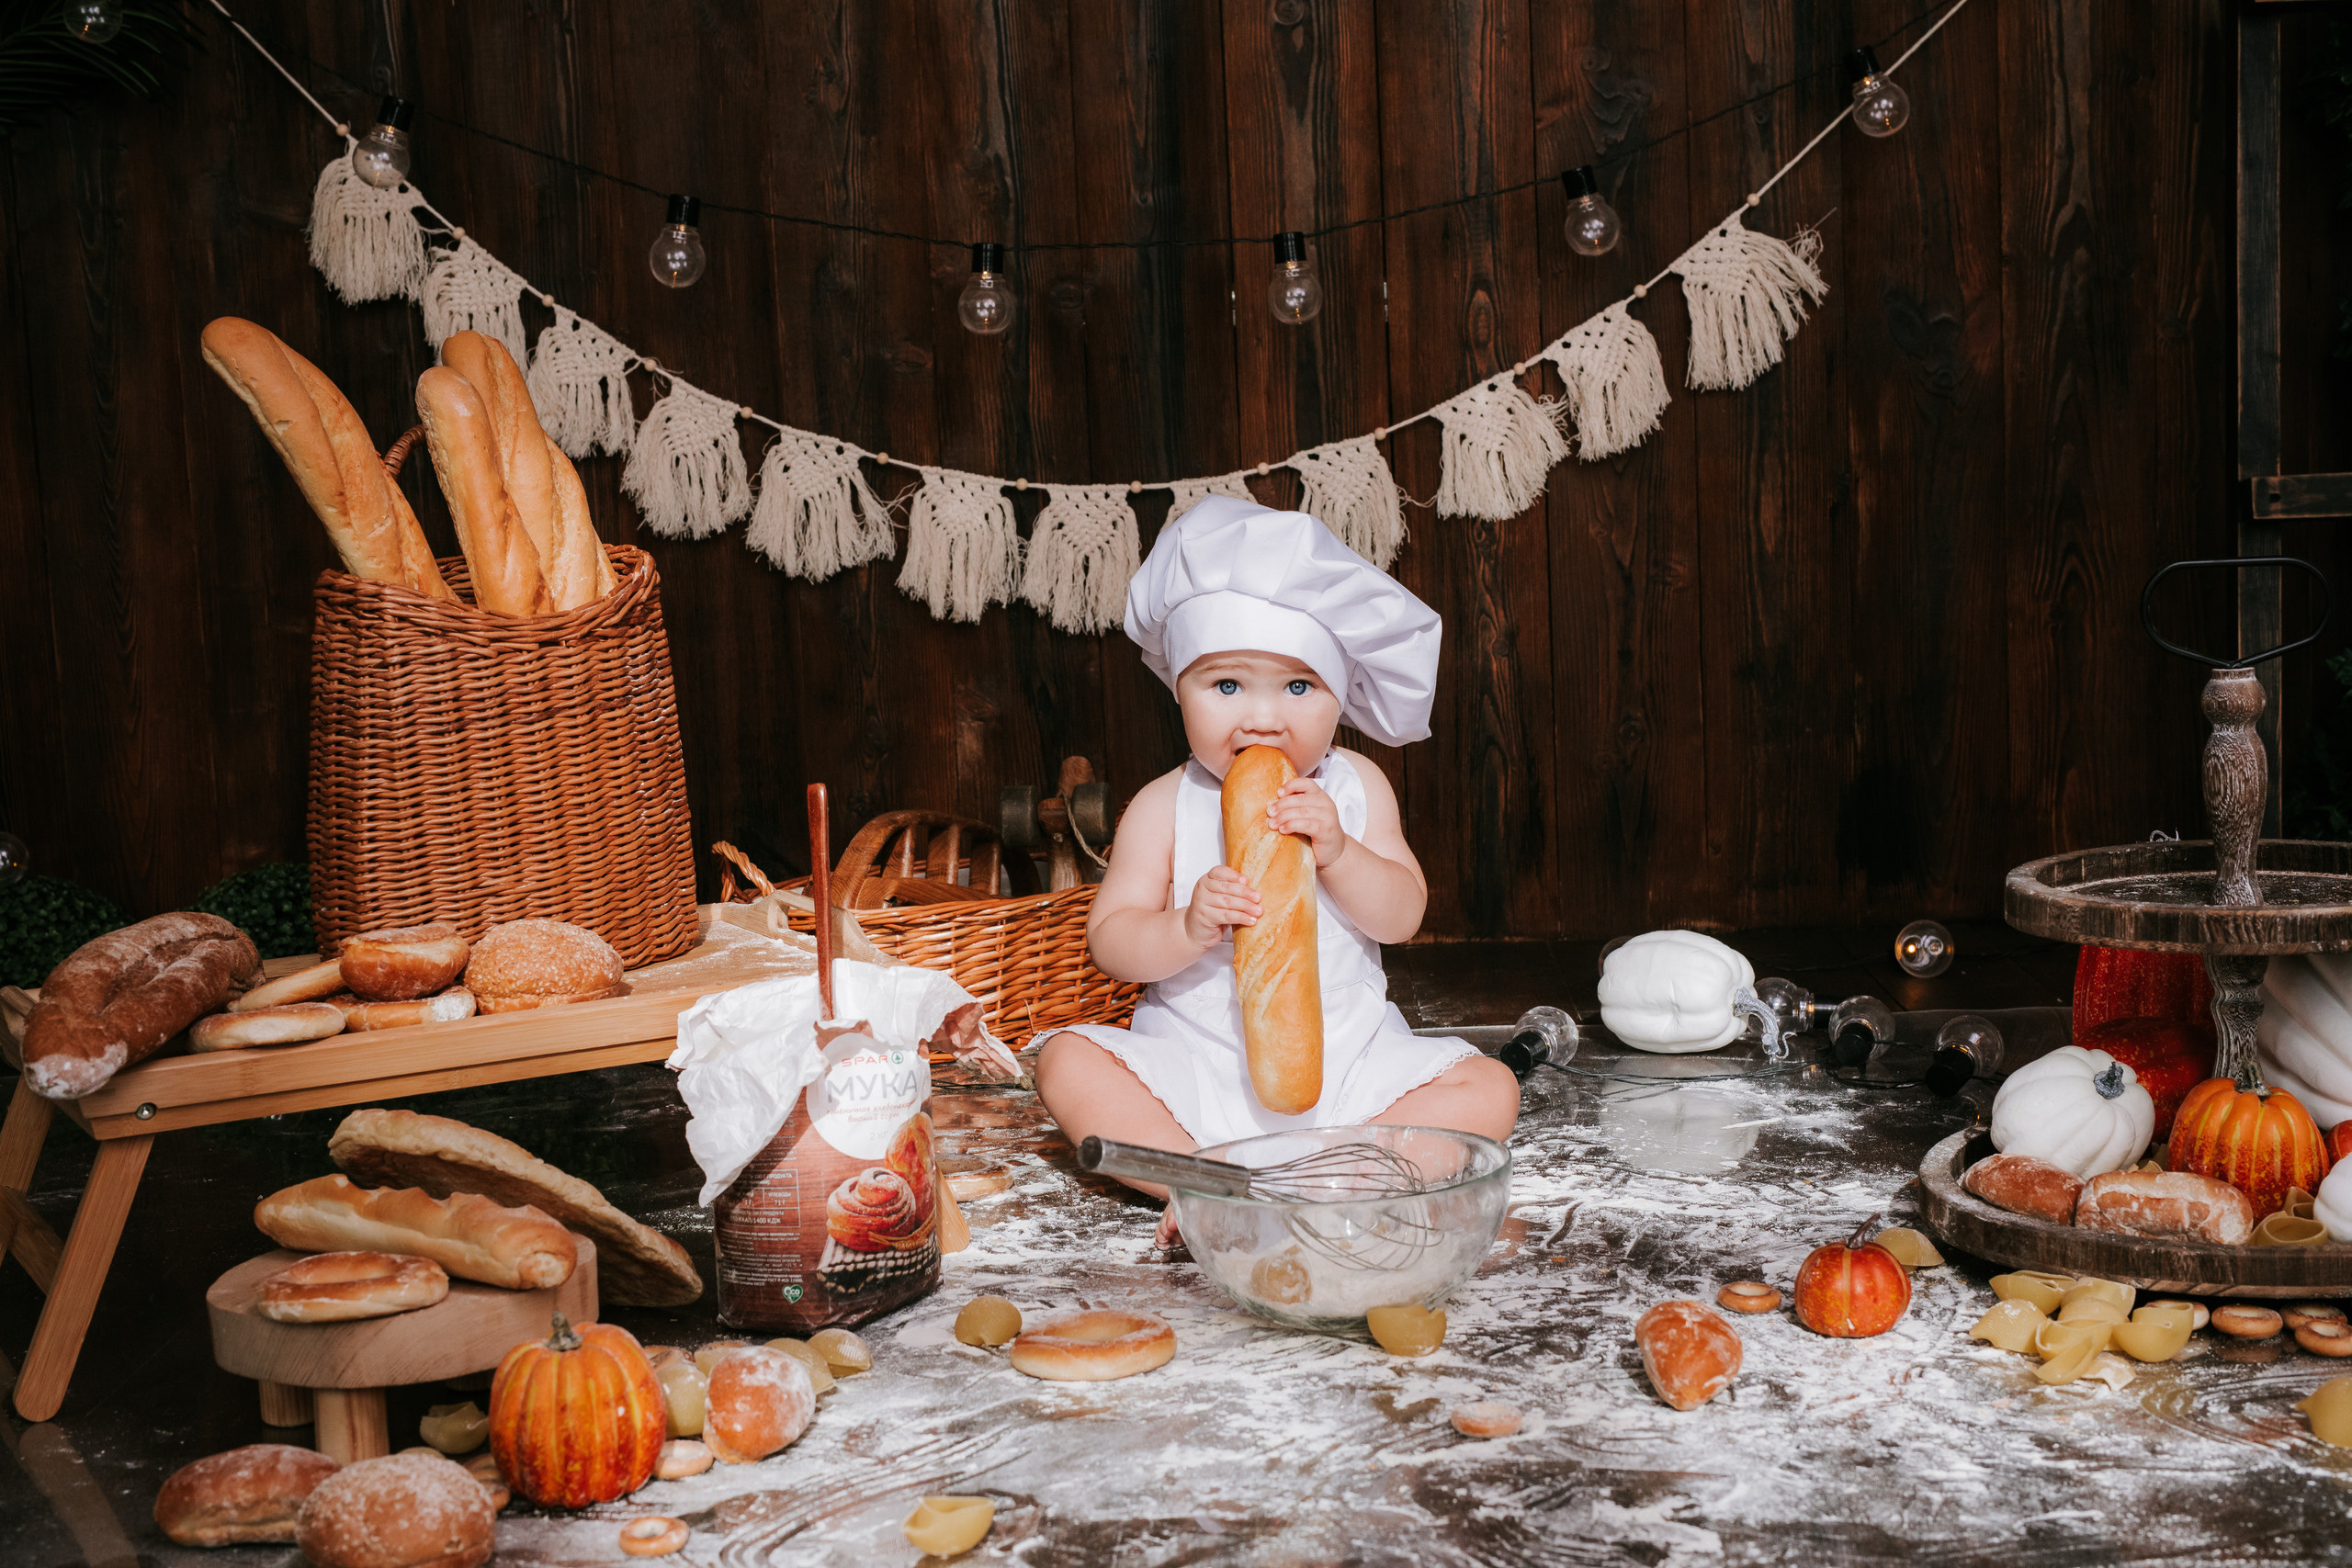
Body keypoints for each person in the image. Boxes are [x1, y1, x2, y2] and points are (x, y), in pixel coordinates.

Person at [1033, 496, 1520, 1211]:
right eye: (1226, 685)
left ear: (1338, 695)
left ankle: (1342, 1173)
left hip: (1353, 1069)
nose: (1262, 716)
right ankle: (1200, 1183)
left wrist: (1341, 852)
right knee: (1064, 1061)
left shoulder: (1355, 788)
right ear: (1179, 692)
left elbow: (1403, 914)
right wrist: (1186, 926)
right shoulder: (1163, 804)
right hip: (1195, 1070)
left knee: (1491, 1088)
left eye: (1298, 686)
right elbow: (1110, 941)